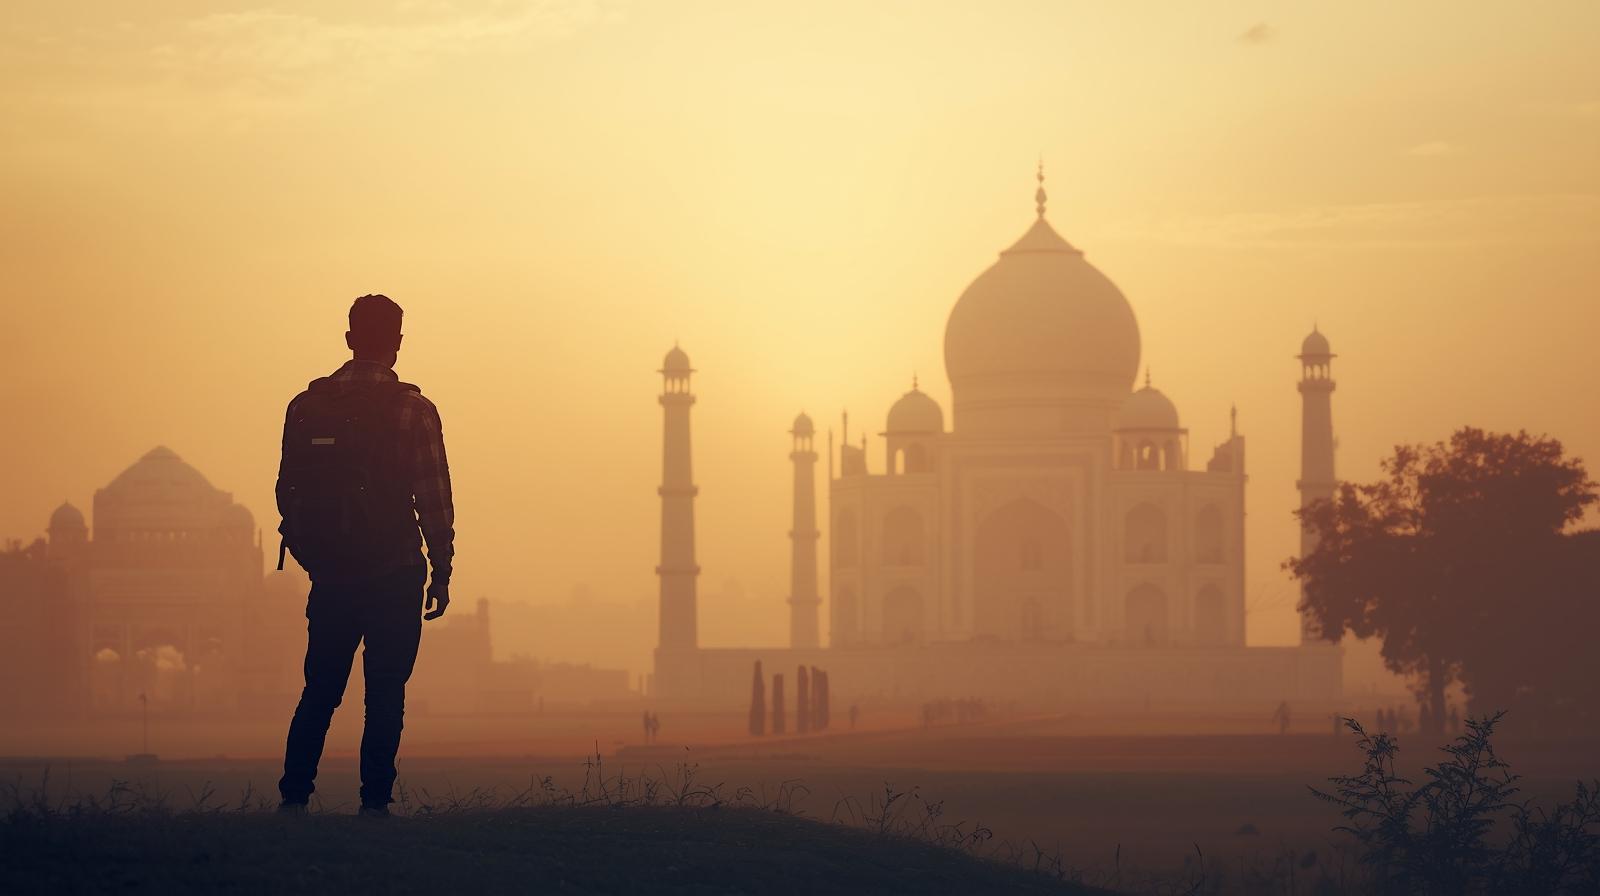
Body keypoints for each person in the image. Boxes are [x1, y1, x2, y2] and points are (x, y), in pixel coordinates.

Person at [275, 295, 454, 818]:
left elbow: (287, 491)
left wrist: (315, 557)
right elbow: (433, 495)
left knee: (320, 690)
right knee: (385, 692)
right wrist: (440, 570)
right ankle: (374, 801)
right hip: (394, 570)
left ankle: (293, 797)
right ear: (397, 343)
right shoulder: (412, 409)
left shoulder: (306, 407)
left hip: (332, 575)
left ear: (350, 338)